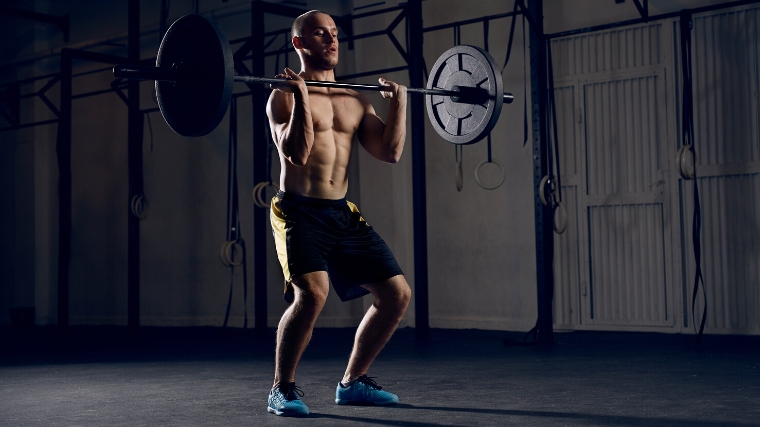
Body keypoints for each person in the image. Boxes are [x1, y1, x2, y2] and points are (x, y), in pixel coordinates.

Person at [265, 10, 412, 417]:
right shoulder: (280, 95)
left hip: (340, 213)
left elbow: (390, 151)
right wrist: (301, 98)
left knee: (396, 295)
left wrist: (399, 105)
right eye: (319, 33)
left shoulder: (353, 99)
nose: (332, 40)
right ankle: (282, 388)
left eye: (334, 33)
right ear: (298, 44)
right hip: (297, 212)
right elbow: (297, 153)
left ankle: (352, 383)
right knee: (312, 295)